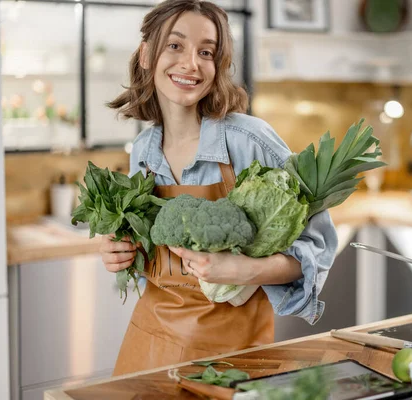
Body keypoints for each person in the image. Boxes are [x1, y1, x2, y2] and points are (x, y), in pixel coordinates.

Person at [98, 0, 338, 376]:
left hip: (231, 357)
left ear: (218, 64)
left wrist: (244, 270)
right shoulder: (144, 151)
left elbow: (316, 252)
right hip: (151, 343)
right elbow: (152, 248)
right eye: (175, 45)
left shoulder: (249, 140)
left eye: (206, 52)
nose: (191, 63)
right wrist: (120, 252)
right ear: (146, 54)